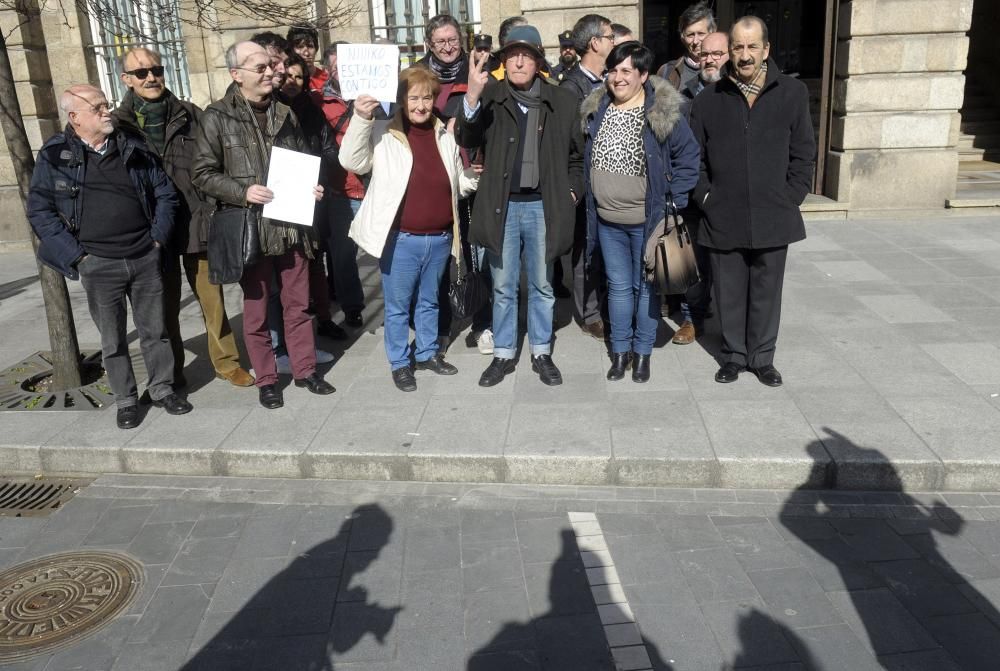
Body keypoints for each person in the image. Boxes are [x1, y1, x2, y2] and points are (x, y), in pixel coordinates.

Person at [28, 84, 190, 429]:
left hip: (145, 256)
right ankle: (126, 399)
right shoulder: (55, 155)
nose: (108, 112)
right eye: (98, 107)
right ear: (75, 118)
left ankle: (161, 388)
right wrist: (77, 257)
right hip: (98, 263)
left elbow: (165, 193)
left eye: (107, 104)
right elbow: (40, 211)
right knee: (113, 339)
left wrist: (158, 239)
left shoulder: (131, 144)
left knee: (156, 330)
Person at [193, 41, 334, 409]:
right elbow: (203, 174)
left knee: (297, 305)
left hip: (290, 227)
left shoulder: (286, 113)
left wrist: (312, 188)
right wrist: (242, 191)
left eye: (271, 66)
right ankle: (267, 379)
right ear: (236, 75)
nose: (270, 72)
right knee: (255, 312)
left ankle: (305, 371)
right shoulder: (217, 117)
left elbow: (303, 159)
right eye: (260, 67)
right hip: (251, 229)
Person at [114, 47, 254, 390]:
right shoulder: (119, 125)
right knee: (163, 308)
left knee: (213, 302)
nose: (151, 77)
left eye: (156, 69)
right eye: (142, 73)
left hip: (196, 221)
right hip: (150, 231)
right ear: (126, 80)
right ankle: (171, 371)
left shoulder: (191, 114)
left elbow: (215, 162)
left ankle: (226, 362)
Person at [689, 16, 815, 386]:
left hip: (774, 213)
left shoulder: (792, 93)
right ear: (729, 50)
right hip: (723, 213)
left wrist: (791, 196)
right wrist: (706, 196)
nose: (744, 55)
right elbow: (694, 159)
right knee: (728, 292)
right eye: (738, 47)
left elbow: (803, 152)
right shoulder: (708, 99)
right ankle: (732, 356)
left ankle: (762, 358)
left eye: (752, 46)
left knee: (766, 291)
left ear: (766, 49)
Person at [456, 25, 584, 387]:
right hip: (503, 207)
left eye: (526, 55)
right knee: (503, 284)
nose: (518, 61)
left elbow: (578, 158)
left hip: (545, 206)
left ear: (539, 61)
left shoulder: (562, 101)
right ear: (504, 61)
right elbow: (466, 137)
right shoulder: (492, 96)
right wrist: (472, 96)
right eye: (512, 54)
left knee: (543, 285)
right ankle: (503, 354)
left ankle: (541, 351)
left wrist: (572, 193)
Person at [339, 68, 478, 391]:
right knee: (399, 307)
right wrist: (361, 117)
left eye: (426, 98)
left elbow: (457, 184)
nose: (420, 105)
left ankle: (428, 352)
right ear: (402, 100)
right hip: (401, 240)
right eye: (413, 98)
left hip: (441, 238)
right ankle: (400, 362)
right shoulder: (383, 132)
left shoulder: (445, 134)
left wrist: (476, 175)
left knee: (429, 301)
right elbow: (352, 161)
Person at [581, 42, 699, 383]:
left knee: (647, 289)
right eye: (613, 70)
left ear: (643, 75)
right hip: (607, 221)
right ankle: (620, 353)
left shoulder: (661, 113)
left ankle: (643, 353)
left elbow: (689, 158)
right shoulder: (598, 109)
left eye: (626, 71)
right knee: (618, 288)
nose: (617, 78)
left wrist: (672, 202)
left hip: (648, 222)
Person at [416, 14, 493, 356]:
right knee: (443, 257)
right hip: (437, 176)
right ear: (429, 44)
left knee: (480, 252)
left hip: (476, 173)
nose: (448, 47)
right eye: (440, 42)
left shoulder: (478, 69)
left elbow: (492, 118)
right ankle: (442, 326)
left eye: (452, 40)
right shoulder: (418, 74)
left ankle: (483, 323)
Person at [672, 30, 729, 346]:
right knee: (691, 262)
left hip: (729, 196)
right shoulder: (685, 96)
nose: (709, 59)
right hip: (694, 195)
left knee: (726, 265)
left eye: (717, 54)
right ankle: (691, 318)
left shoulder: (740, 94)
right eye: (705, 54)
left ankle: (725, 320)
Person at [561, 14, 614, 340]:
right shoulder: (571, 87)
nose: (612, 42)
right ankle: (590, 313)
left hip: (614, 182)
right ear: (595, 43)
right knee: (585, 249)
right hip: (588, 182)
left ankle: (608, 306)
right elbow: (575, 141)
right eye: (608, 37)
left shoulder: (611, 78)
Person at [315, 42, 368, 330]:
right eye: (336, 66)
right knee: (343, 255)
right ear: (328, 69)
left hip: (374, 186)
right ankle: (352, 307)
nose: (342, 72)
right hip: (340, 190)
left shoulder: (377, 96)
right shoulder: (320, 103)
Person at [657, 1, 716, 90]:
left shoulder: (725, 70)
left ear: (712, 34)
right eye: (690, 35)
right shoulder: (667, 71)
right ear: (682, 38)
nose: (695, 41)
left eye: (701, 34)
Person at [287, 25, 328, 92]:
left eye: (310, 46)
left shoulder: (327, 81)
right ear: (291, 50)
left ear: (316, 48)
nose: (306, 53)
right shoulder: (286, 80)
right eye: (300, 47)